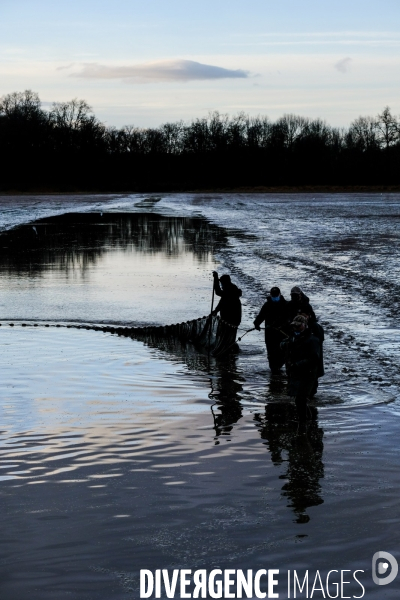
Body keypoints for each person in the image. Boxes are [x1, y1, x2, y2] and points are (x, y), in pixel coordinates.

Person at [281, 315, 321, 428]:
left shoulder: (312, 340)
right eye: (294, 326)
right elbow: (284, 345)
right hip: (295, 372)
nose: (296, 329)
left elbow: (314, 358)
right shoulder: (292, 337)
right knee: (299, 399)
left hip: (308, 374)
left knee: (300, 399)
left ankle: (303, 423)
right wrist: (284, 345)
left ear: (304, 325)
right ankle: (307, 419)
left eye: (298, 326)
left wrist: (298, 364)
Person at [254, 286, 289, 372]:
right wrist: (256, 323)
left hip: (282, 334)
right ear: (270, 295)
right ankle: (274, 369)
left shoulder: (286, 305)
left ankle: (279, 366)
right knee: (271, 353)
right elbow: (261, 316)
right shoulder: (267, 305)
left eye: (276, 296)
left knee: (282, 352)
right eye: (273, 296)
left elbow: (289, 318)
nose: (275, 298)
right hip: (270, 334)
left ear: (280, 295)